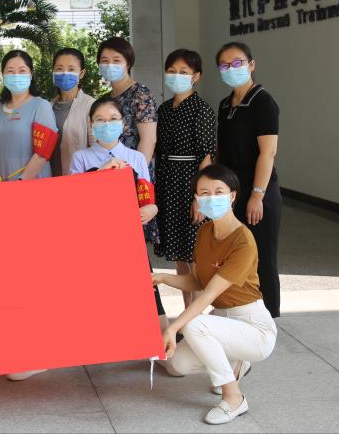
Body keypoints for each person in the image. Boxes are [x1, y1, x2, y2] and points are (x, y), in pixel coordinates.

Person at [154, 164, 277, 425]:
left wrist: (172, 328)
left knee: (193, 324)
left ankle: (234, 398)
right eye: (204, 193)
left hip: (253, 326)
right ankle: (237, 362)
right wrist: (162, 278)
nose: (211, 198)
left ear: (232, 196)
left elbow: (208, 294)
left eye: (218, 192)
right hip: (221, 320)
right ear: (197, 199)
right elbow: (198, 280)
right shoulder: (204, 232)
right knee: (179, 364)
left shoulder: (243, 241)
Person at [70, 96, 166, 330]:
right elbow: (73, 200)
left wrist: (151, 208)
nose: (107, 124)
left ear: (123, 123)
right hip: (93, 235)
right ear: (91, 124)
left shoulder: (136, 158)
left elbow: (146, 195)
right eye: (100, 120)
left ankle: (155, 332)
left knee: (143, 285)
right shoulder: (81, 158)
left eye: (113, 119)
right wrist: (102, 173)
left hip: (129, 234)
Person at [214, 42, 283, 319]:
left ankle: (269, 317)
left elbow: (268, 153)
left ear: (251, 65)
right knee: (234, 253)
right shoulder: (224, 104)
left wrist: (257, 195)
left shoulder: (263, 102)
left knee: (261, 256)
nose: (231, 69)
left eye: (237, 63)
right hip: (231, 192)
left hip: (259, 190)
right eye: (224, 65)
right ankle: (240, 312)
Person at [155, 49, 217, 310]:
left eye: (183, 72)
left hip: (190, 184)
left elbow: (207, 156)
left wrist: (199, 198)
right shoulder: (164, 109)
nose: (176, 76)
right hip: (168, 183)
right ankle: (187, 309)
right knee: (180, 254)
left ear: (196, 76)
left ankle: (199, 312)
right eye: (172, 71)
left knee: (195, 253)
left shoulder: (201, 110)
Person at [0, 50, 58, 181]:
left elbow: (42, 153)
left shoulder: (41, 106)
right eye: (10, 71)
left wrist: (22, 180)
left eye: (22, 70)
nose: (16, 75)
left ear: (31, 74)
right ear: (3, 75)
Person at [97, 36, 157, 163]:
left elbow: (149, 140)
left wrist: (136, 171)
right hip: (107, 168)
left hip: (133, 169)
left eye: (116, 60)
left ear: (128, 64)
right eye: (105, 61)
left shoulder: (140, 94)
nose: (110, 65)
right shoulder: (105, 99)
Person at [50, 47, 95, 176]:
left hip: (77, 179)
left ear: (81, 73)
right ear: (53, 72)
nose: (65, 73)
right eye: (59, 68)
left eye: (71, 69)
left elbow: (97, 149)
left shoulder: (91, 105)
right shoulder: (47, 106)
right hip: (47, 178)